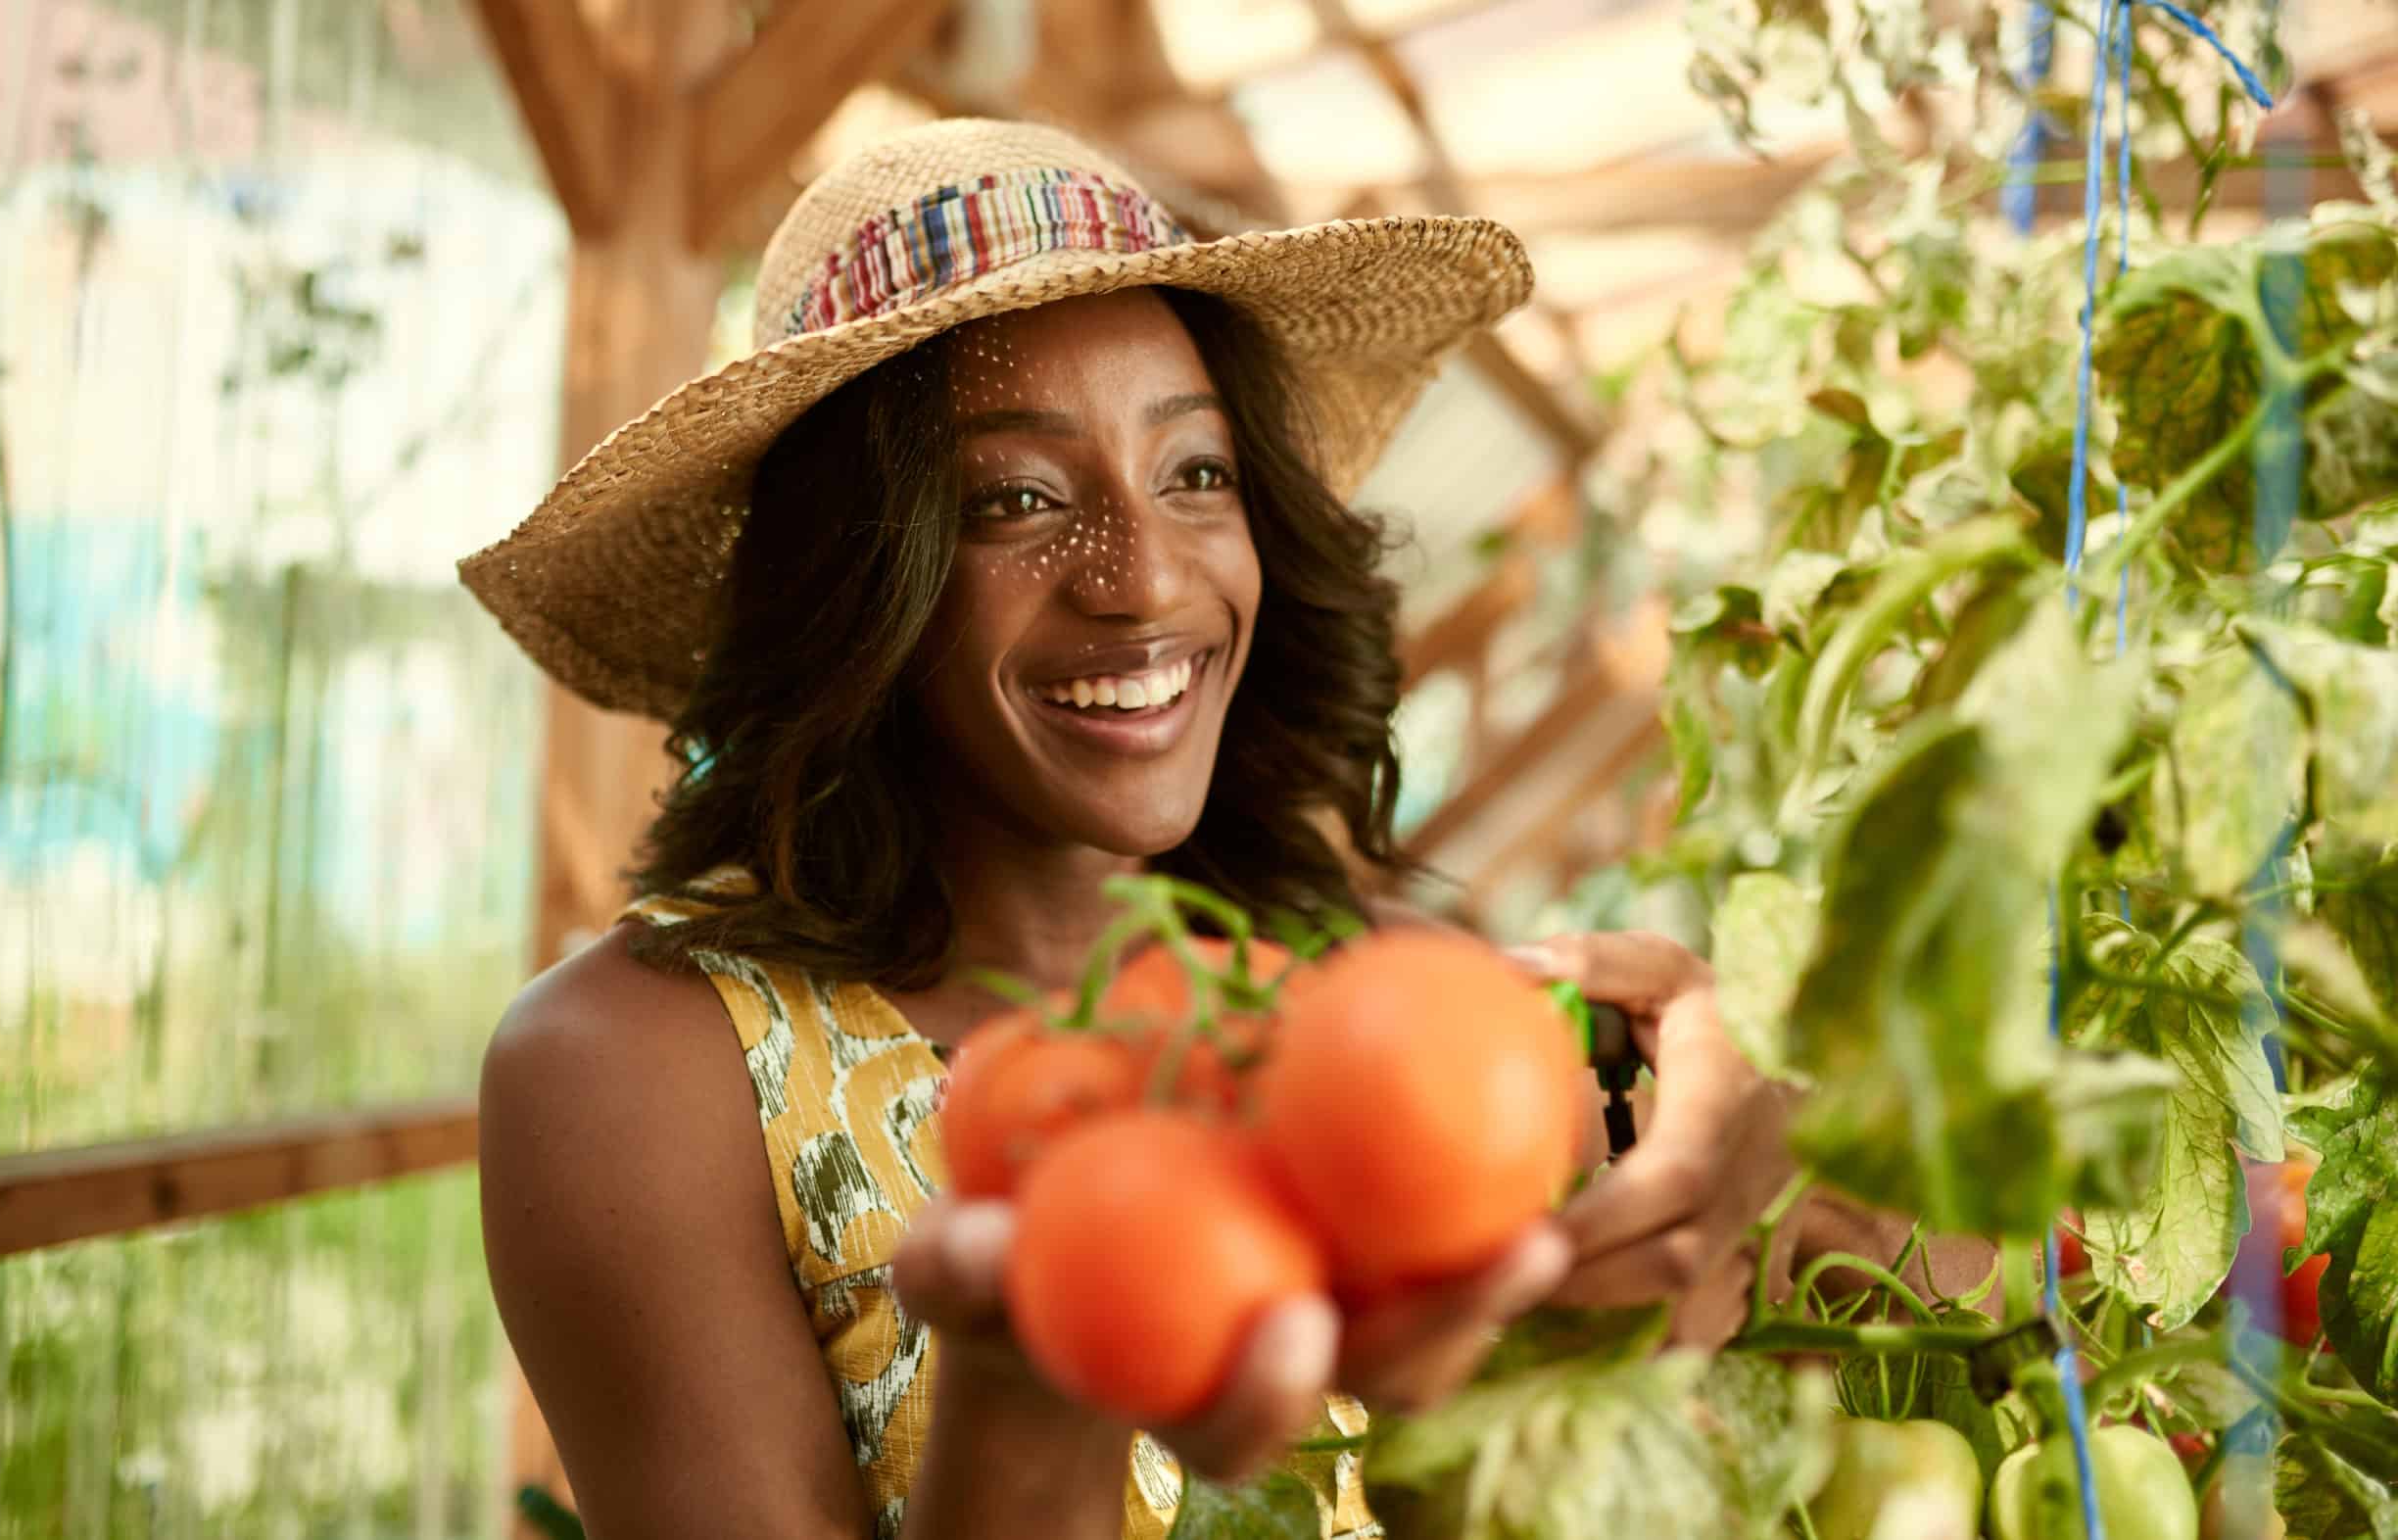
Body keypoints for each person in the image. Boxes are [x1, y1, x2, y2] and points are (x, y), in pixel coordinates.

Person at [460, 119, 1942, 1540]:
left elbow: (1907, 1349)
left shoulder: (1394, 990)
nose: (1147, 581)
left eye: (1195, 474)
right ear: (855, 585)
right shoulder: (640, 1071)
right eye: (1018, 498)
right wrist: (1033, 1390)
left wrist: (1788, 1169)